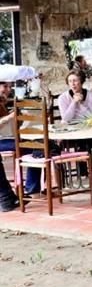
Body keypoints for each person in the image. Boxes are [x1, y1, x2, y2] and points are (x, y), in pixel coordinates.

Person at [0, 65, 40, 210]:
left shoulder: (3, 102)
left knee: (39, 146)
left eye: (9, 86)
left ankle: (28, 190)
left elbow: (14, 123)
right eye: (5, 86)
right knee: (38, 148)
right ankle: (31, 189)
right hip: (2, 142)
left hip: (7, 139)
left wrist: (19, 115)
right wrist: (11, 116)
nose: (8, 90)